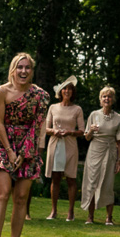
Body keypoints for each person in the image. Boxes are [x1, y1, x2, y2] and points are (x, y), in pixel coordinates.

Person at [0, 52, 49, 237]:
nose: (23, 71)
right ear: (13, 68)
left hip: (27, 147)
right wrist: (10, 151)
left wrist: (24, 153)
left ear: (32, 70)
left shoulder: (41, 96)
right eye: (20, 67)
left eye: (27, 67)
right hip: (3, 144)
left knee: (21, 198)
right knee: (1, 194)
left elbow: (37, 126)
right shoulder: (1, 91)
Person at [80, 86, 120, 225]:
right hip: (94, 150)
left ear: (113, 99)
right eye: (104, 96)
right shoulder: (94, 115)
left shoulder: (118, 118)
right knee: (91, 181)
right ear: (100, 100)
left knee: (108, 182)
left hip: (110, 150)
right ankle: (90, 216)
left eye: (109, 96)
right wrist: (91, 131)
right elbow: (86, 137)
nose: (107, 99)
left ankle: (108, 218)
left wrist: (118, 160)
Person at [44, 78, 85, 221]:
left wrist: (70, 132)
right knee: (55, 179)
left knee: (71, 178)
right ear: (60, 92)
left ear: (73, 92)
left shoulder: (77, 109)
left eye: (70, 89)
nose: (67, 91)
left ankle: (70, 212)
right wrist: (53, 131)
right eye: (64, 89)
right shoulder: (53, 107)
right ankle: (53, 211)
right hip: (55, 144)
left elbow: (82, 131)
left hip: (70, 145)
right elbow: (45, 128)